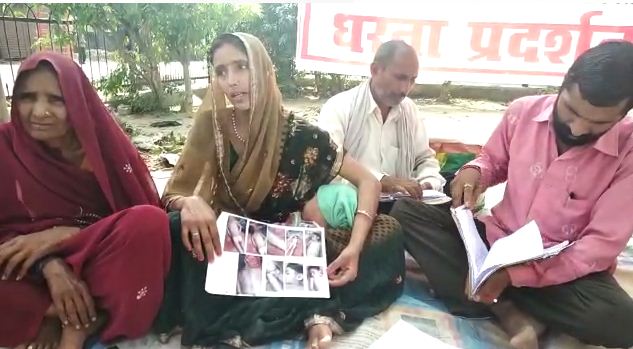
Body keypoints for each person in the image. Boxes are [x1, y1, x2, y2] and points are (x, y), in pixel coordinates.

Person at [153, 32, 405, 349]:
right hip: (222, 245)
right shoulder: (211, 125)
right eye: (221, 71)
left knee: (387, 231)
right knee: (173, 227)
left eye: (241, 66)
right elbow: (172, 193)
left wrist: (353, 249)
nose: (231, 81)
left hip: (282, 249)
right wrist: (189, 202)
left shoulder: (302, 134)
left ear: (263, 68)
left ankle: (303, 310)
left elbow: (369, 181)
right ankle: (309, 308)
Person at [390, 40, 633, 349]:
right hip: (497, 245)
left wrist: (516, 274)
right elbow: (492, 161)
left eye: (598, 123)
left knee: (622, 321)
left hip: (564, 268)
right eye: (570, 110)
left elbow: (598, 246)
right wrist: (474, 172)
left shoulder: (628, 150)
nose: (577, 129)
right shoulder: (523, 112)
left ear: (623, 114)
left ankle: (498, 300)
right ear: (564, 82)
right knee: (407, 213)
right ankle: (513, 311)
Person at [0, 52, 171, 349]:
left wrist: (63, 236)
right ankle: (68, 315)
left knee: (150, 223)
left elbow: (133, 220)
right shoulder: (4, 145)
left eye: (56, 100)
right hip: (24, 267)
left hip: (95, 261)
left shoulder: (104, 147)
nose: (39, 111)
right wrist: (50, 264)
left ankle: (70, 315)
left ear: (77, 101)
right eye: (28, 97)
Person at [318, 40, 445, 201]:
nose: (405, 89)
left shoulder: (409, 111)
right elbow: (326, 164)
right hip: (349, 207)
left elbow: (424, 159)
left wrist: (427, 184)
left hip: (400, 208)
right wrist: (379, 181)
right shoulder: (340, 107)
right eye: (400, 78)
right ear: (375, 70)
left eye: (412, 80)